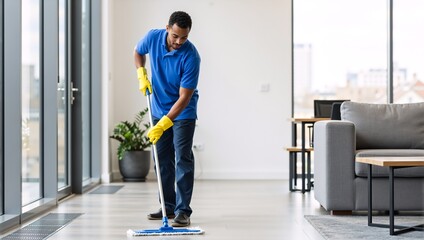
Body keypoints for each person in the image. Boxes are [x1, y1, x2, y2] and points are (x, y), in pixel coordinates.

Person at [133, 11, 201, 227]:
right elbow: (137, 52)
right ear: (167, 28)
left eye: (184, 37)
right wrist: (141, 73)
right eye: (175, 36)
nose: (179, 41)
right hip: (158, 108)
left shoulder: (191, 56)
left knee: (182, 157)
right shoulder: (153, 37)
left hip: (183, 112)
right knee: (161, 159)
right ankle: (167, 207)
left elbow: (184, 98)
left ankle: (183, 211)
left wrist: (164, 123)